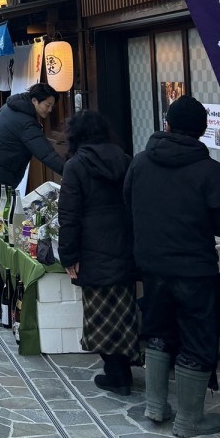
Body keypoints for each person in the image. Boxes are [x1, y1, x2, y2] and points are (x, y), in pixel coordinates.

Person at [124, 96, 220, 438]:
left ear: (167, 125)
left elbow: (128, 205)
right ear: (203, 130)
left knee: (159, 330)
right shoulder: (209, 170)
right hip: (194, 267)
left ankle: (155, 405)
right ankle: (189, 419)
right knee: (197, 338)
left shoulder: (140, 163)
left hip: (151, 264)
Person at [58, 111, 139, 396]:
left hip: (93, 248)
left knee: (100, 312)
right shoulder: (125, 159)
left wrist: (67, 255)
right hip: (124, 243)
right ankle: (124, 368)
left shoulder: (76, 165)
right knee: (123, 309)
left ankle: (117, 374)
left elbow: (68, 215)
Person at [0, 82, 64, 287]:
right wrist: (72, 171)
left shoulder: (11, 107)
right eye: (48, 104)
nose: (50, 109)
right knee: (0, 226)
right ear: (35, 101)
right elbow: (45, 153)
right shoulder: (26, 122)